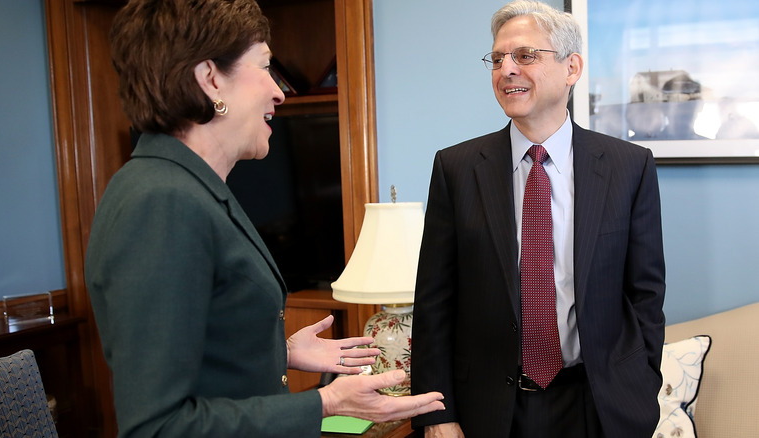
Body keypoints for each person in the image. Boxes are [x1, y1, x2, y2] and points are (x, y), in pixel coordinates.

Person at [84, 1, 445, 437]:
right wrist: (327, 401)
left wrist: (278, 349)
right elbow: (158, 427)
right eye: (265, 67)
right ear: (210, 79)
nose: (278, 91)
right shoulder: (161, 203)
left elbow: (204, 348)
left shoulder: (189, 188)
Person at [410, 1, 665, 437]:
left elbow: (645, 293)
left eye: (525, 56)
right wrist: (437, 412)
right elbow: (434, 303)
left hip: (600, 405)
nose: (506, 69)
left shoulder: (629, 166)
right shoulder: (456, 168)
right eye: (497, 59)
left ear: (572, 68)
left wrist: (640, 383)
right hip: (490, 410)